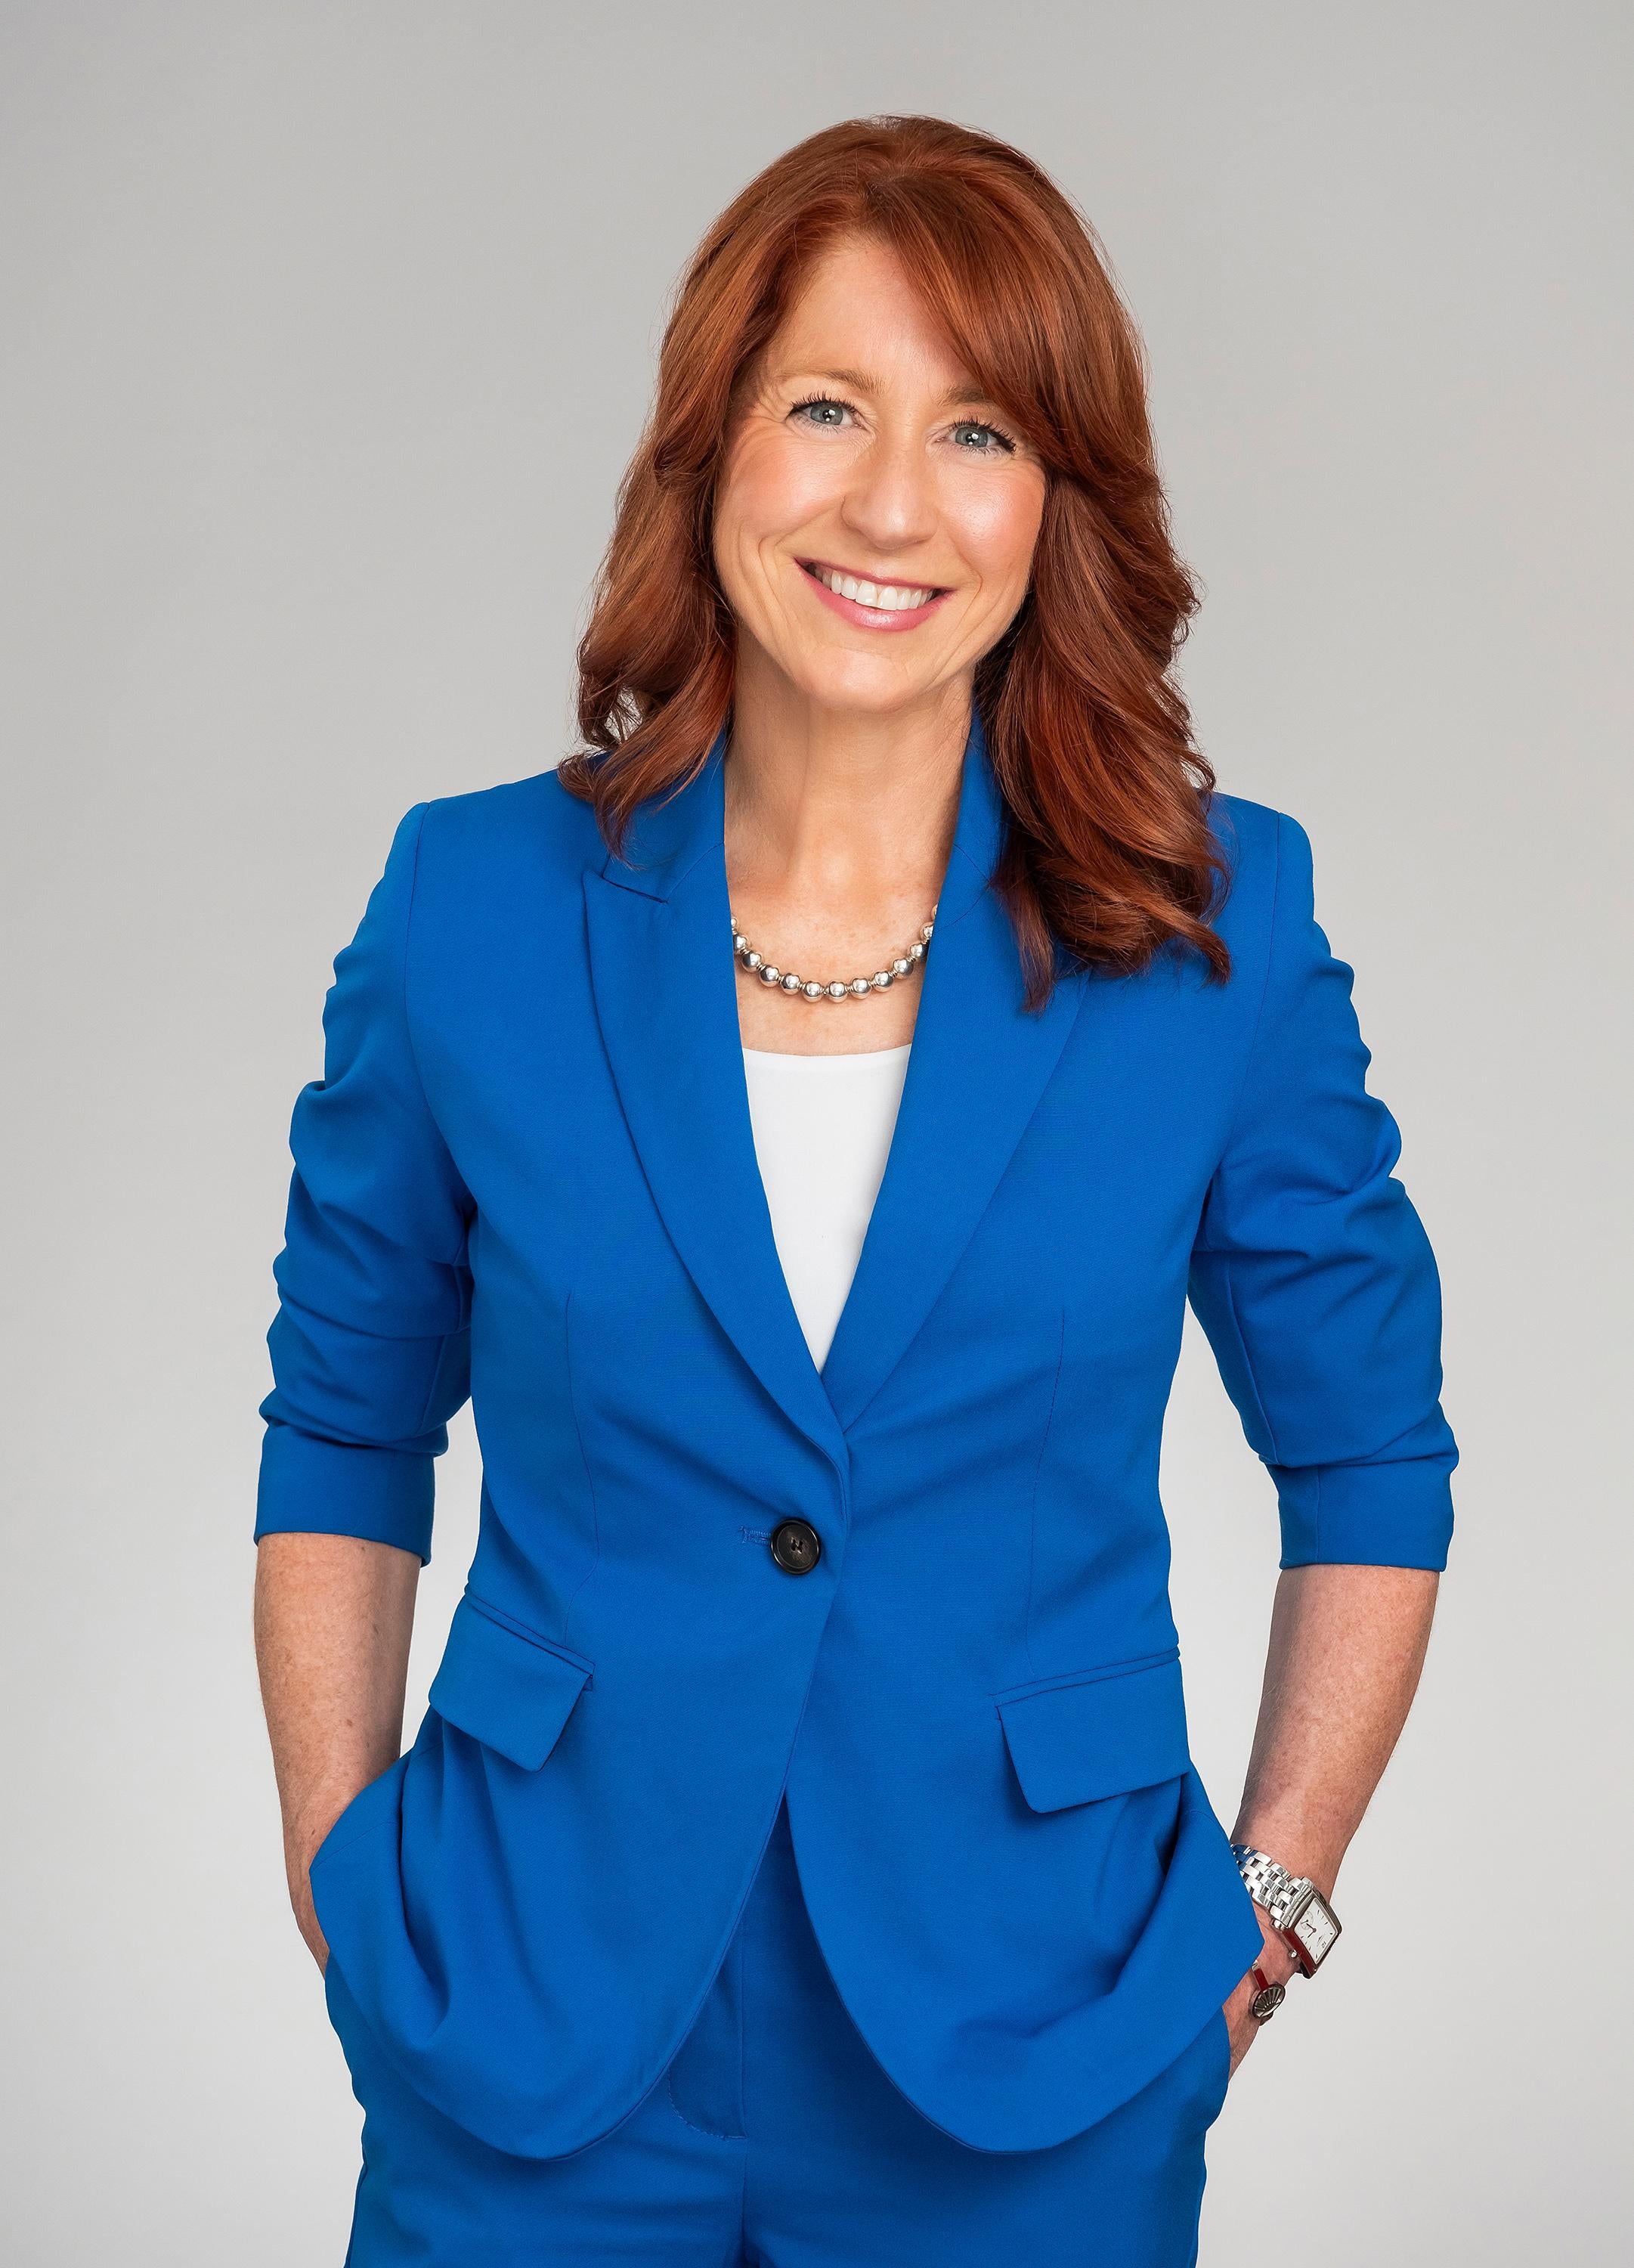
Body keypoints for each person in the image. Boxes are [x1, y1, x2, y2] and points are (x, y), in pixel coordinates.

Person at [253, 113, 1456, 2266]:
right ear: (711, 442)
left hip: (1037, 2033)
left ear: (1050, 502)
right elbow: (346, 1430)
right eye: (825, 406)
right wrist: (345, 1876)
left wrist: (1259, 1920)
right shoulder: (471, 907)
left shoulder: (1216, 932)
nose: (890, 503)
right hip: (528, 2006)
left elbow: (1367, 1462)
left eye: (977, 430)